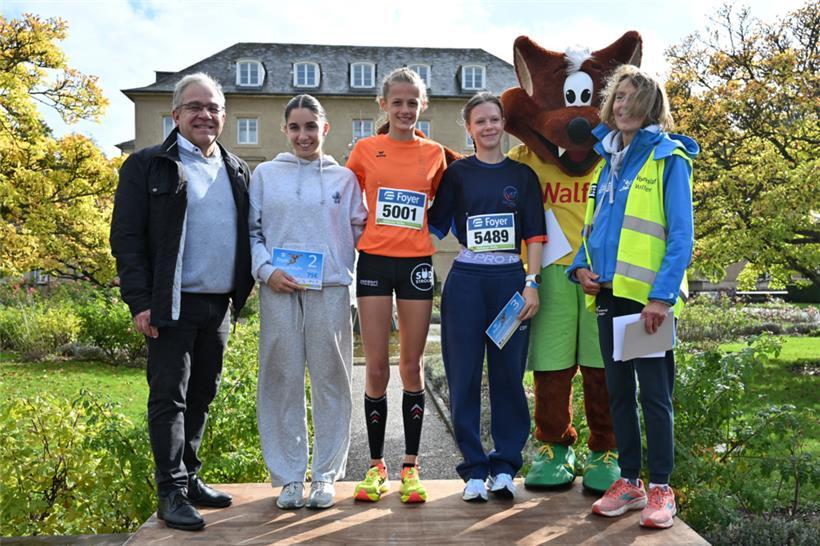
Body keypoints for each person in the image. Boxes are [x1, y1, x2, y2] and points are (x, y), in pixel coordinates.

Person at [110, 73, 253, 531]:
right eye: (194, 106)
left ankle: (190, 478)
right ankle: (170, 491)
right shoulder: (146, 165)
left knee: (202, 394)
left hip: (218, 304)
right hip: (171, 303)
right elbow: (127, 239)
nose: (204, 114)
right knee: (168, 398)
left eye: (212, 107)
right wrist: (139, 302)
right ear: (175, 115)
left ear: (224, 116)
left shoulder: (236, 168)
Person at [567, 64, 698, 529]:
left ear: (650, 106)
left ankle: (661, 488)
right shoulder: (607, 163)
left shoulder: (668, 158)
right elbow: (591, 231)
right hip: (609, 297)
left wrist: (661, 298)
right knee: (618, 393)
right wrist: (578, 268)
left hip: (647, 304)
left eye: (633, 98)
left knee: (654, 396)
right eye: (617, 98)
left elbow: (681, 237)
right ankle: (629, 481)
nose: (623, 106)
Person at [249, 95, 367, 510]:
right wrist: (266, 271)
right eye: (295, 127)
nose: (303, 135)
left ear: (325, 129)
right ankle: (288, 477)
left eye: (311, 127)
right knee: (280, 379)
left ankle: (325, 476)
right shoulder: (265, 175)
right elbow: (252, 232)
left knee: (332, 380)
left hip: (330, 290)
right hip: (278, 289)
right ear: (285, 130)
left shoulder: (344, 179)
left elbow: (363, 232)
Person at [428, 93, 546, 502]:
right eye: (480, 121)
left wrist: (532, 283)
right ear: (469, 128)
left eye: (495, 119)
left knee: (507, 376)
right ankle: (474, 470)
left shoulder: (523, 176)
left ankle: (505, 466)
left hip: (510, 283)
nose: (489, 127)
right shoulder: (457, 175)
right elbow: (433, 228)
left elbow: (535, 236)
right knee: (462, 375)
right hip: (465, 282)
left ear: (503, 124)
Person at [346, 67, 447, 504]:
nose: (405, 109)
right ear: (383, 105)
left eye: (413, 102)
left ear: (422, 106)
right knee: (375, 366)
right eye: (398, 102)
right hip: (372, 261)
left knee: (410, 366)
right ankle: (374, 468)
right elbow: (345, 200)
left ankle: (410, 466)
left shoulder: (436, 154)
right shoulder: (366, 150)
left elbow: (448, 202)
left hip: (415, 265)